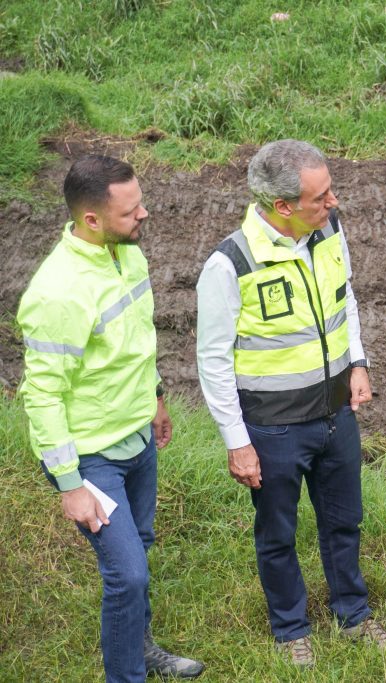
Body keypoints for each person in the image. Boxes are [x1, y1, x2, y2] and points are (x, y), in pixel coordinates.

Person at [195, 139, 386, 667]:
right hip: (273, 429)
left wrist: (358, 363)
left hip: (336, 416)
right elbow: (213, 361)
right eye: (320, 196)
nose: (333, 202)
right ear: (282, 206)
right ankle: (291, 630)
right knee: (278, 533)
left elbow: (344, 297)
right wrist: (238, 443)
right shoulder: (229, 265)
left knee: (344, 522)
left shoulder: (328, 231)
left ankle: (353, 616)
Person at [17, 155, 204, 682]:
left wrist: (158, 398)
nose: (143, 215)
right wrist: (68, 483)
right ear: (91, 220)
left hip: (137, 437)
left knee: (138, 554)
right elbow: (43, 396)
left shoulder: (125, 255)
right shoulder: (58, 293)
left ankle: (141, 651)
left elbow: (135, 345)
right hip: (92, 459)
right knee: (127, 576)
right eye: (130, 211)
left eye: (140, 202)